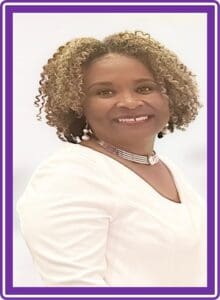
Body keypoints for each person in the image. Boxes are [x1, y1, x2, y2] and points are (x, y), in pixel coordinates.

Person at [17, 30, 206, 287]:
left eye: (145, 88)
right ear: (77, 105)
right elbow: (73, 286)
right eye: (105, 92)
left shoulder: (165, 167)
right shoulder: (69, 176)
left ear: (171, 95)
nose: (129, 102)